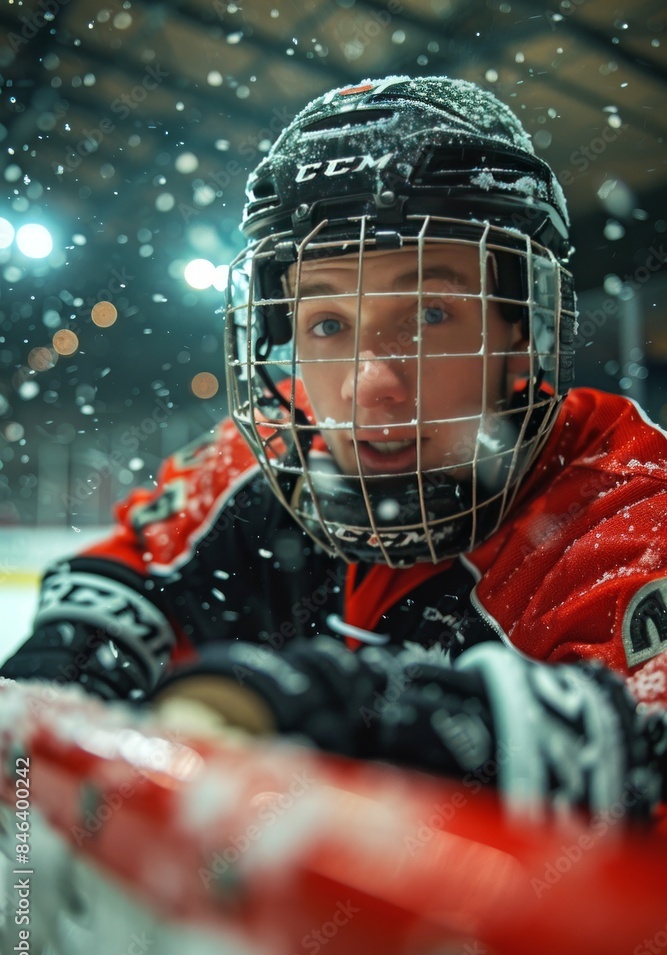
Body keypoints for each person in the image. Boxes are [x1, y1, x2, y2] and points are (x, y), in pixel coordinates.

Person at [3, 75, 667, 822]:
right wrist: (63, 667)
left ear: (520, 330)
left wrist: (373, 724)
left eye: (431, 312)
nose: (367, 385)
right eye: (326, 324)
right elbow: (124, 581)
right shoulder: (269, 452)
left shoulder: (625, 510)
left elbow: (647, 739)